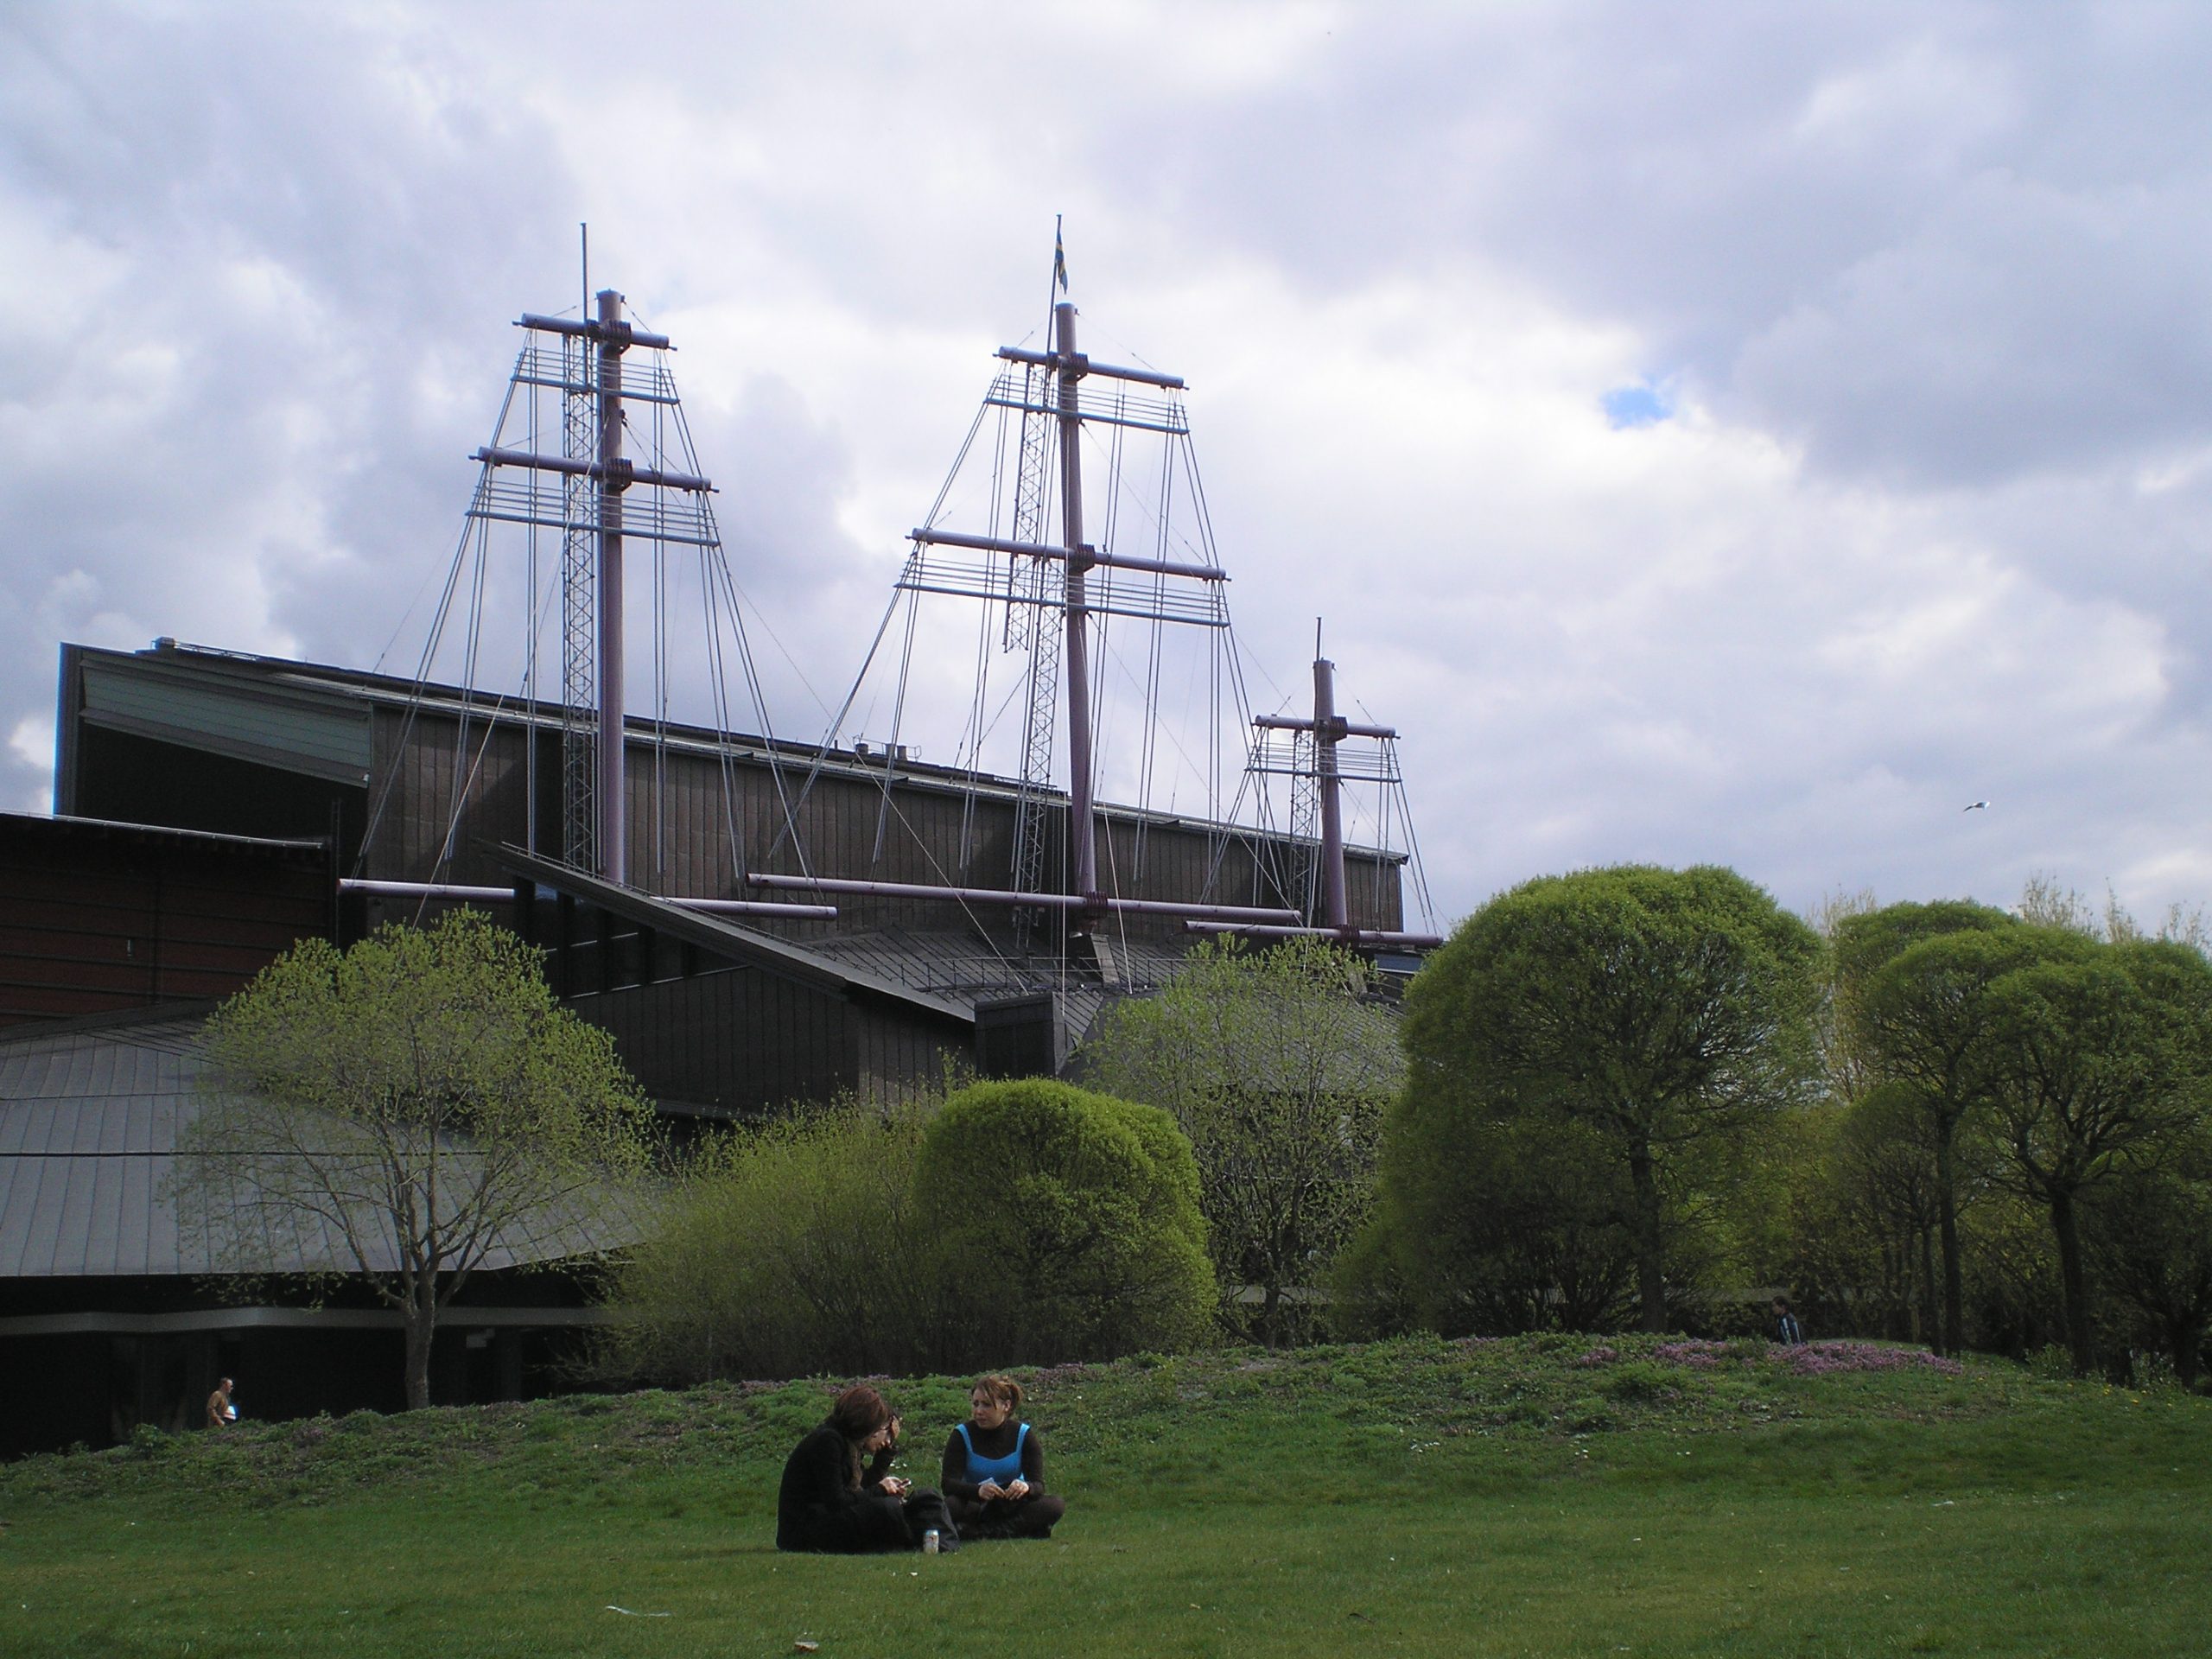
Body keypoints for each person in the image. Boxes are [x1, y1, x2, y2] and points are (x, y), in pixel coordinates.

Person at [777, 1383, 957, 1554]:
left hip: (831, 1518)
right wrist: (880, 1490)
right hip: (807, 1529)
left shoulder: (851, 1448)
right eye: (884, 1430)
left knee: (927, 1497)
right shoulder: (827, 1442)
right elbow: (837, 1501)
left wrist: (884, 1466)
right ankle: (915, 1541)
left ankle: (943, 1544)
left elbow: (861, 1487)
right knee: (887, 1508)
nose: (886, 1439)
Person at [940, 1374, 1066, 1541]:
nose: (978, 1411)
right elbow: (948, 1484)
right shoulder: (961, 1435)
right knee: (950, 1505)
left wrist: (1026, 1487)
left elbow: (1038, 1485)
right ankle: (1023, 1530)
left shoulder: (1024, 1435)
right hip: (976, 1503)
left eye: (986, 1405)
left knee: (1054, 1505)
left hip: (1010, 1503)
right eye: (975, 1404)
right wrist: (978, 1490)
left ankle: (984, 1532)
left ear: (1006, 1406)